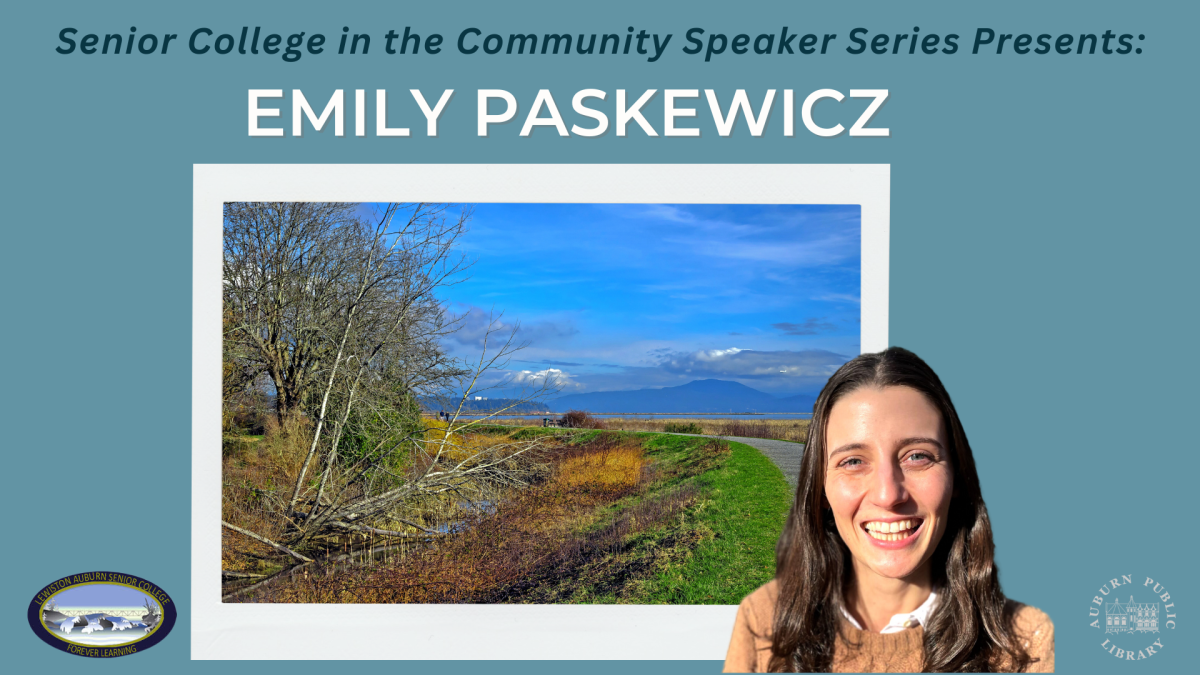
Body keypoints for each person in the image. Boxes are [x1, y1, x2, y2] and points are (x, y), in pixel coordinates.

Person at [724, 347, 1053, 672]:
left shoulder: (1025, 643)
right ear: (820, 488)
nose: (887, 494)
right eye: (853, 461)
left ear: (956, 475)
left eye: (918, 456)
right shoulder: (764, 622)